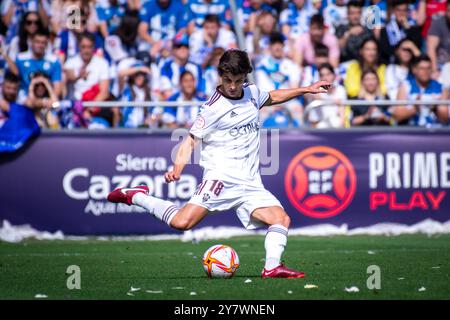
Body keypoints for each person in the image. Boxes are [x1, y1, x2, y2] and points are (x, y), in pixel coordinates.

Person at [107, 49, 332, 279]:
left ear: (245, 77)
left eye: (238, 80)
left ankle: (271, 267)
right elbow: (191, 140)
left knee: (281, 219)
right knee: (182, 222)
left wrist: (306, 89)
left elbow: (273, 96)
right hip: (220, 180)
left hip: (251, 183)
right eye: (227, 80)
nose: (233, 86)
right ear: (220, 76)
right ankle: (137, 196)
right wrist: (178, 168)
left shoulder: (252, 93)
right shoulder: (213, 107)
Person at [392, 55, 447, 127]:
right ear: (414, 70)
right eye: (422, 68)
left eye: (428, 68)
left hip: (435, 133)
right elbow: (397, 116)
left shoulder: (441, 88)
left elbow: (445, 118)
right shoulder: (405, 86)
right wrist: (415, 108)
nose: (425, 71)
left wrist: (435, 107)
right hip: (413, 132)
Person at [378, 0, 422, 64]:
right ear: (394, 11)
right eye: (398, 10)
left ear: (408, 12)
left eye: (404, 10)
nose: (401, 13)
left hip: (410, 64)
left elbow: (417, 45)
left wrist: (408, 29)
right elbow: (385, 50)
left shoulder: (414, 29)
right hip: (391, 64)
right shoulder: (386, 30)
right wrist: (401, 47)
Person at [305, 63, 347, 128]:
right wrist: (333, 101)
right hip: (318, 126)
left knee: (335, 121)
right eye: (322, 75)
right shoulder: (316, 90)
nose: (325, 77)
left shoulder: (340, 90)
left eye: (328, 74)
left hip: (335, 126)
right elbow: (308, 95)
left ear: (334, 75)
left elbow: (342, 113)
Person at [426, 0, 450, 80]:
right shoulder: (438, 22)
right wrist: (434, 70)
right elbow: (431, 48)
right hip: (441, 65)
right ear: (446, 11)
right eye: (449, 11)